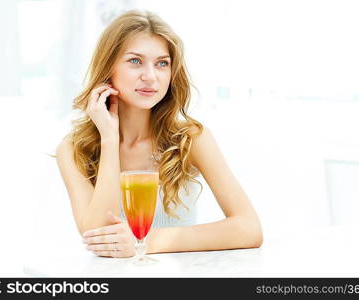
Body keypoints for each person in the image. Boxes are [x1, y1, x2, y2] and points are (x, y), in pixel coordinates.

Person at [55, 9, 263, 258]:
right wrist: (109, 140)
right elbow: (101, 236)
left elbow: (249, 228)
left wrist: (146, 242)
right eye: (135, 61)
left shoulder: (191, 139)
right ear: (108, 67)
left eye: (162, 63)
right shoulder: (73, 149)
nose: (150, 76)